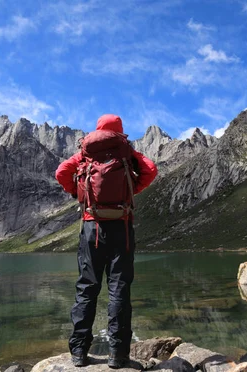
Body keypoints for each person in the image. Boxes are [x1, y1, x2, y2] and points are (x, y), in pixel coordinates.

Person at [55, 114, 157, 368]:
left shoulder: (86, 151)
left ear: (98, 128)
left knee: (87, 289)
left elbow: (61, 172)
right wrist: (133, 190)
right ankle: (118, 354)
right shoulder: (125, 151)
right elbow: (150, 170)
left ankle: (79, 352)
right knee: (119, 289)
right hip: (121, 227)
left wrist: (79, 194)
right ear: (120, 130)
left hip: (91, 227)